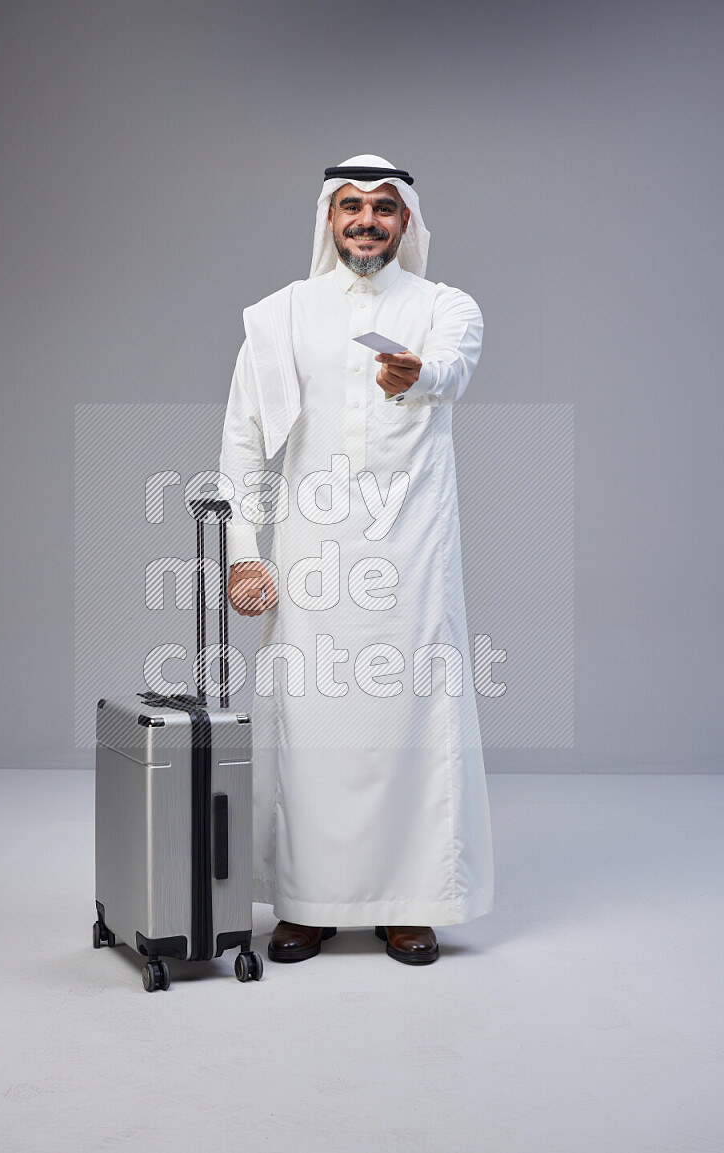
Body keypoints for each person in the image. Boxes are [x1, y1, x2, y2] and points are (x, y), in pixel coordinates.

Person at [217, 154, 493, 965]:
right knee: (308, 724)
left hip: (414, 555)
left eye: (382, 207)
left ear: (406, 221)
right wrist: (243, 553)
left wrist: (418, 375)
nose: (366, 220)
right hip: (310, 554)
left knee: (413, 719)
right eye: (350, 206)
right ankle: (307, 901)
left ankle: (411, 903)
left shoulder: (446, 306)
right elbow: (242, 439)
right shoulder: (281, 316)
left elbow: (453, 369)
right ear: (327, 219)